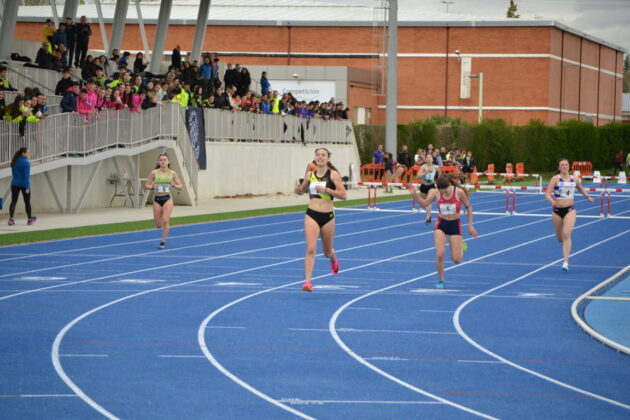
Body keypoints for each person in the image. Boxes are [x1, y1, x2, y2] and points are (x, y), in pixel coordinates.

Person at [407, 175, 477, 288]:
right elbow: (424, 204)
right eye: (442, 193)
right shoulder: (435, 192)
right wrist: (415, 194)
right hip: (441, 224)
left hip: (454, 224)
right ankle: (441, 280)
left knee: (456, 260)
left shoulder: (458, 192)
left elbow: (468, 207)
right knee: (440, 254)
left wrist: (470, 226)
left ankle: (461, 243)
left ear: (449, 185)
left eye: (446, 192)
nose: (445, 194)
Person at [294, 148, 347, 292]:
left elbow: (343, 195)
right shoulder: (310, 174)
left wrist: (327, 190)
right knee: (311, 249)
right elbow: (300, 191)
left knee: (327, 251)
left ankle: (333, 258)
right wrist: (298, 189)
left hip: (328, 216)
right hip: (311, 214)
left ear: (328, 158)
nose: (320, 157)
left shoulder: (333, 175)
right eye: (318, 155)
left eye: (323, 155)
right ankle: (307, 282)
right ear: (315, 158)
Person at [545, 158, 594, 271]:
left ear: (569, 166)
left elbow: (580, 188)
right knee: (560, 238)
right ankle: (563, 242)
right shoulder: (555, 179)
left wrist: (588, 197)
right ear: (559, 167)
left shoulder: (574, 179)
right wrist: (553, 202)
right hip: (557, 212)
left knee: (566, 234)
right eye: (562, 165)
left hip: (570, 210)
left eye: (566, 164)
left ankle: (565, 262)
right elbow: (547, 194)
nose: (564, 166)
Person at [144, 154, 183, 249]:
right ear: (158, 162)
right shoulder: (154, 173)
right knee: (158, 225)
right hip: (157, 199)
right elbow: (146, 185)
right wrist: (153, 187)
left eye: (165, 159)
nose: (163, 161)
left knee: (165, 219)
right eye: (161, 160)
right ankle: (162, 220)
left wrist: (174, 185)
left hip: (167, 198)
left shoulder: (173, 173)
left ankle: (163, 241)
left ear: (168, 162)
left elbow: (181, 187)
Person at [8, 147, 36, 226]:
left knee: (13, 201)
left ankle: (11, 219)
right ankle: (29, 220)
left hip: (14, 184)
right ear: (23, 153)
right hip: (24, 185)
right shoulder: (26, 162)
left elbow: (15, 174)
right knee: (27, 203)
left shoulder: (14, 161)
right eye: (28, 152)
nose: (29, 154)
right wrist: (27, 187)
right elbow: (26, 176)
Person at [416, 154, 441, 224]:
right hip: (424, 186)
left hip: (431, 186)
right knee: (426, 202)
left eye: (430, 157)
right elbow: (417, 176)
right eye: (427, 157)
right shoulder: (423, 167)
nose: (429, 159)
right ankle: (429, 216)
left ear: (432, 159)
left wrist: (438, 179)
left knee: (428, 201)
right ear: (425, 160)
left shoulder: (436, 167)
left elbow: (440, 172)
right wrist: (425, 172)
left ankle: (428, 217)